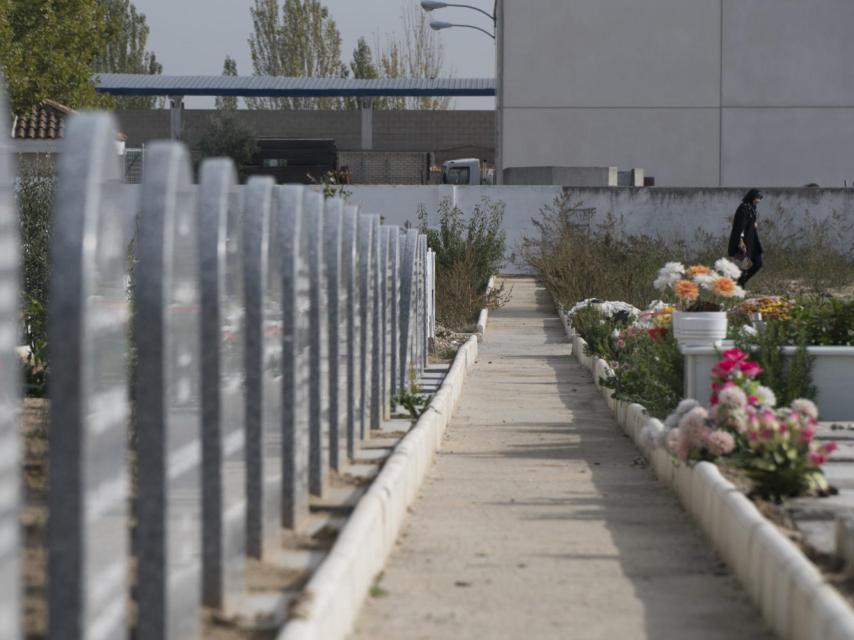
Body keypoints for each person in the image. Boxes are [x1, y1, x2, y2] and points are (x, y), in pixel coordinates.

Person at [728, 189, 764, 287]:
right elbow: (740, 226)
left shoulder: (752, 208)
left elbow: (750, 222)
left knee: (758, 262)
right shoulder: (743, 208)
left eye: (760, 199)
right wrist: (740, 241)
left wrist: (754, 224)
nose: (758, 201)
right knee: (743, 268)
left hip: (752, 241)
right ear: (751, 197)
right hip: (742, 242)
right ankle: (738, 287)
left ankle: (739, 283)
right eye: (757, 198)